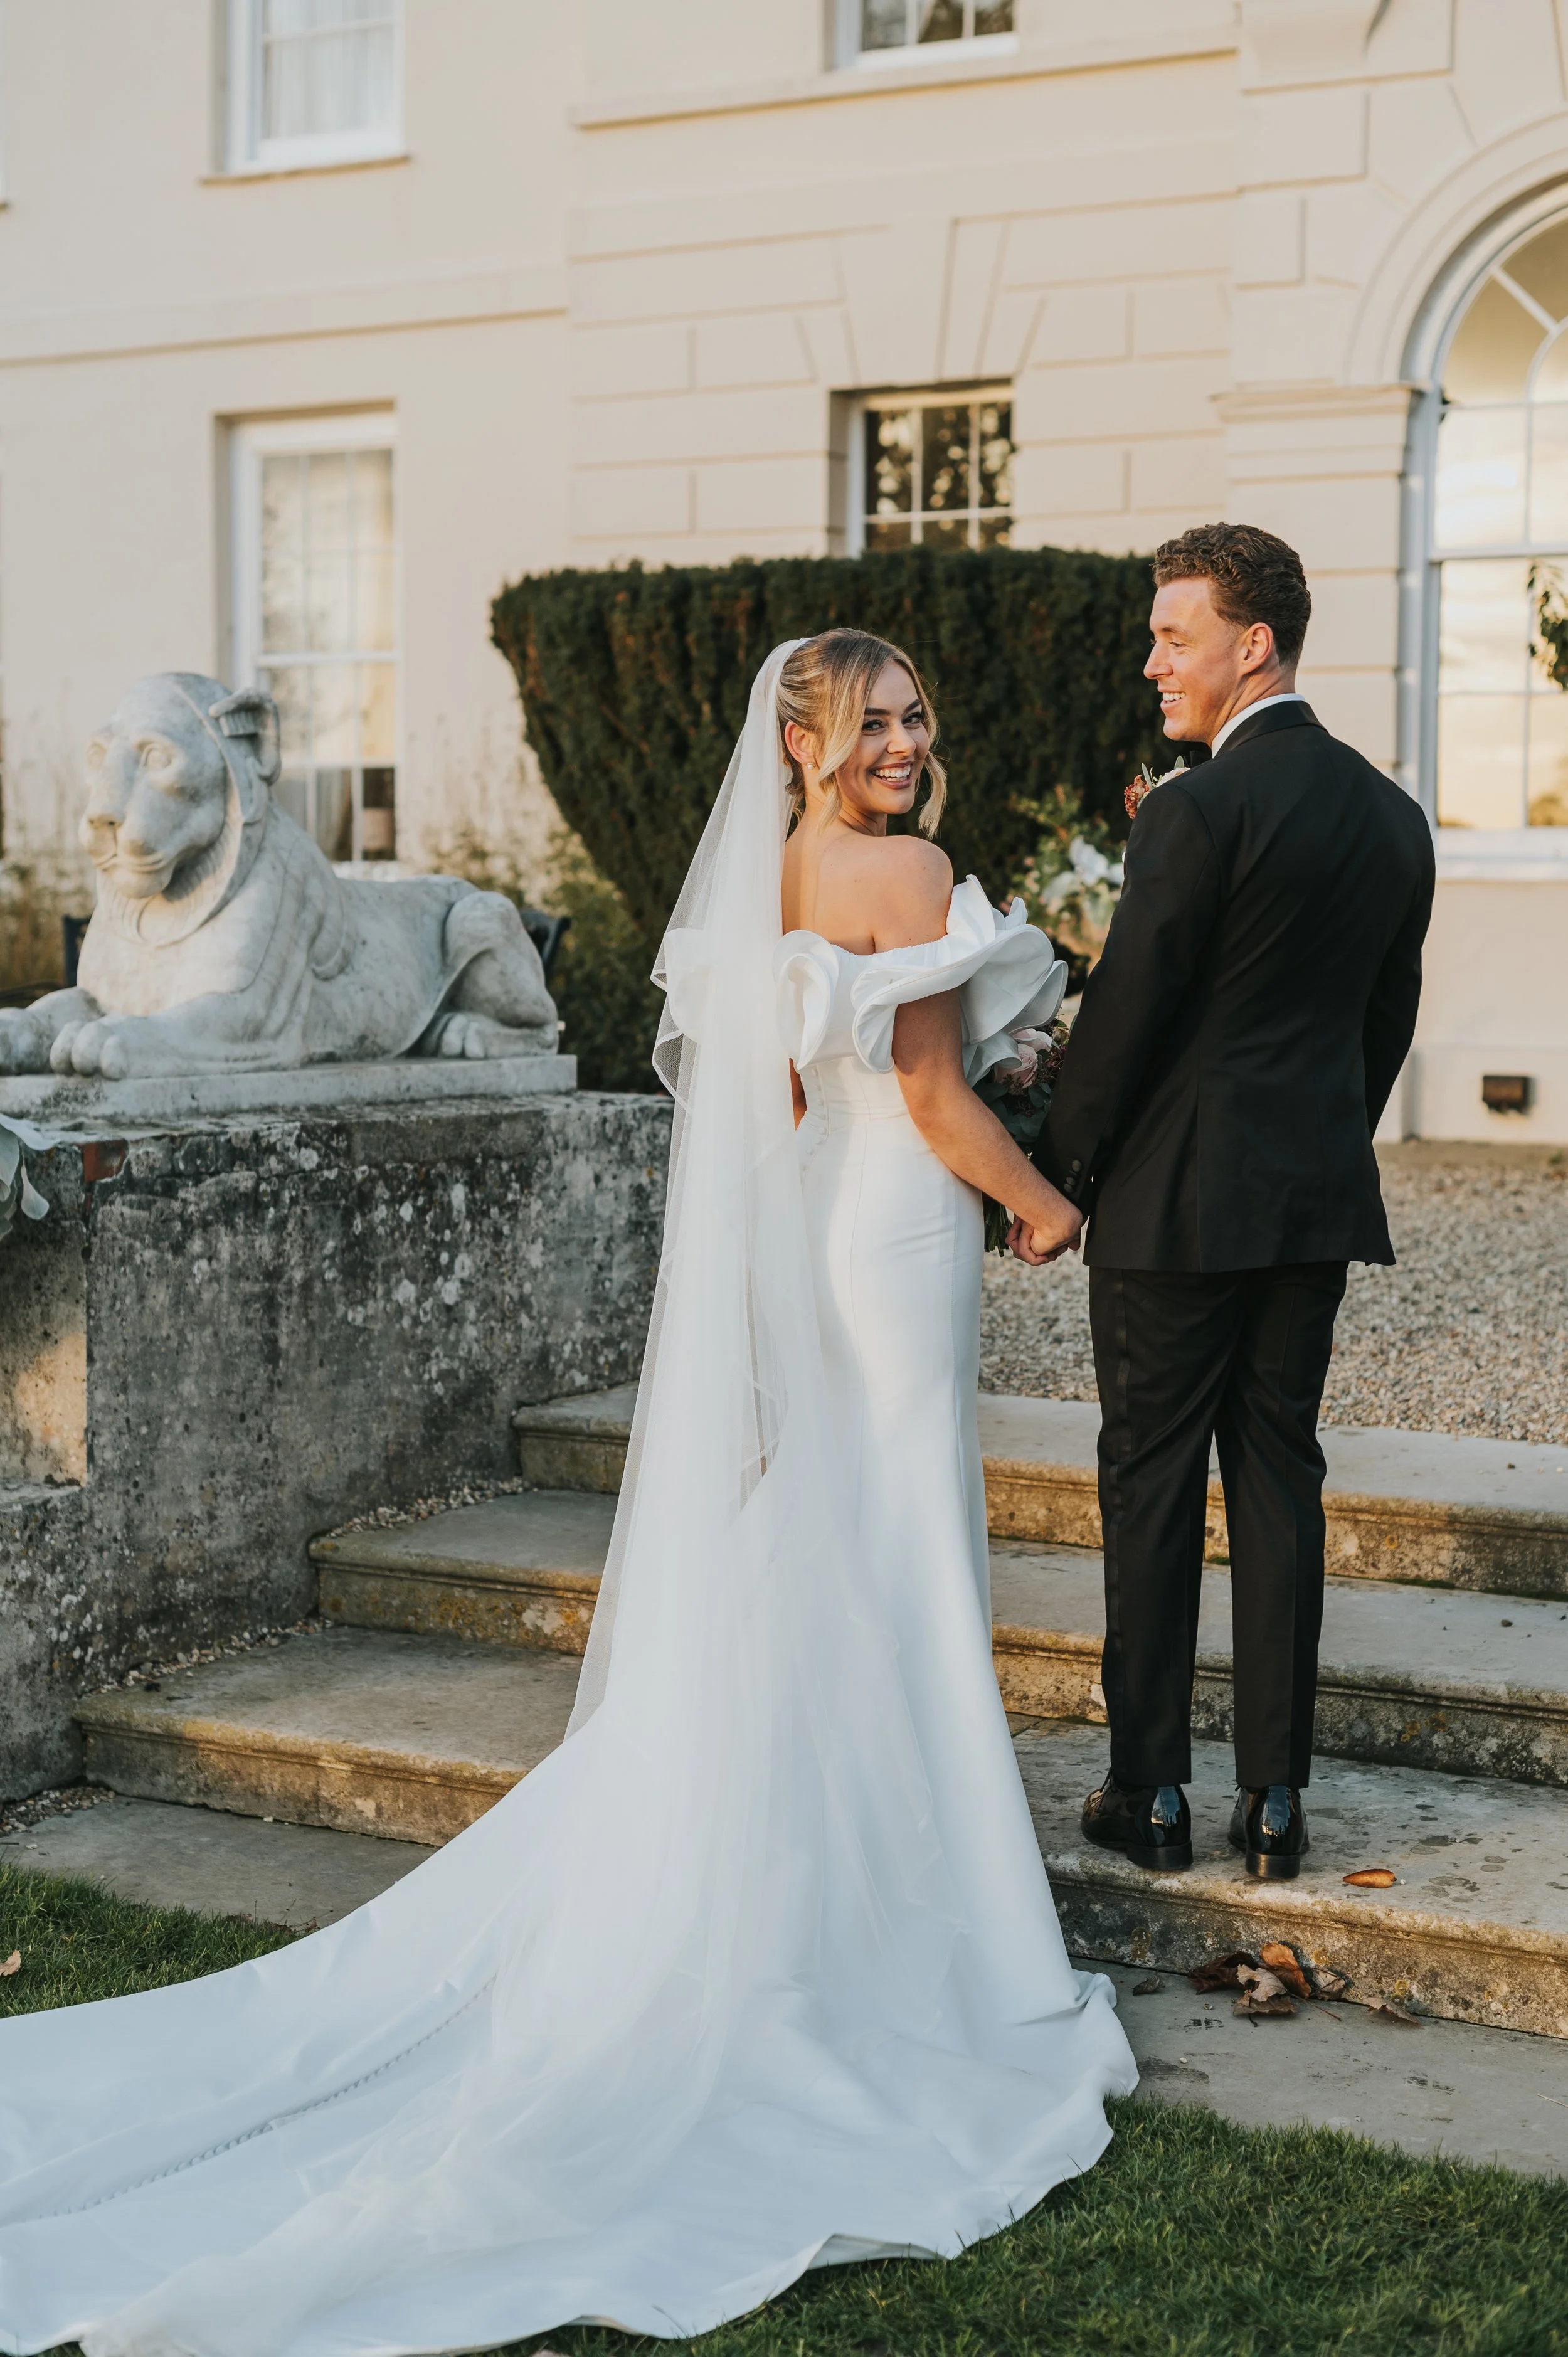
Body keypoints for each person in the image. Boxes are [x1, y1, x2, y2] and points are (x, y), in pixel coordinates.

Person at [0, 632, 1132, 2357]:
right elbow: (917, 1090)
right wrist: (1044, 1202)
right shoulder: (897, 868)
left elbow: (766, 1098)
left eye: (915, 712)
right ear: (807, 741)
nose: (901, 742)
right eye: (868, 721)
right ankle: (953, 1937)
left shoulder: (770, 876)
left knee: (837, 1544)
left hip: (826, 1225)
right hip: (901, 1234)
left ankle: (840, 1886)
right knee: (899, 1550)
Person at [1023, 522, 1435, 1883]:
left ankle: (1146, 1791)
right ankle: (1272, 1804)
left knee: (1146, 1487)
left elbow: (1125, 1017)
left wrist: (1057, 1172)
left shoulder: (1197, 809)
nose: (1152, 661)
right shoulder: (1391, 819)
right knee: (1278, 1483)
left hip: (1167, 1213)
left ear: (1248, 645)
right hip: (1302, 1210)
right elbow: (1380, 1027)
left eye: (1173, 635)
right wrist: (1312, 1146)